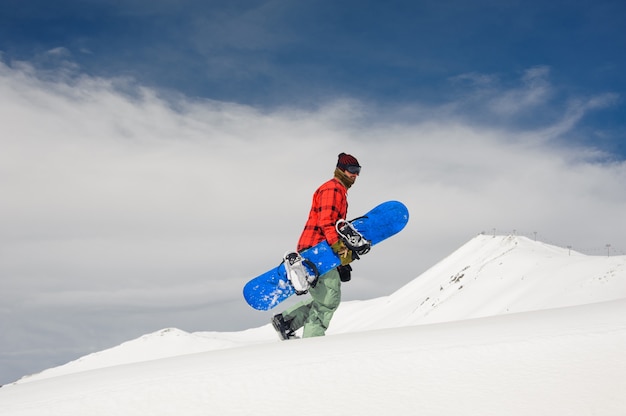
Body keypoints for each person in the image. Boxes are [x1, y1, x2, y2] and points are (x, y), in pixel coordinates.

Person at [272, 152, 361, 340]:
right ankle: (312, 345)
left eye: (358, 171)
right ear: (341, 170)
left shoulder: (339, 191)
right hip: (319, 250)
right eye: (352, 170)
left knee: (324, 300)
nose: (356, 175)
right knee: (328, 301)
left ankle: (287, 321)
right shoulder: (333, 189)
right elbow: (327, 222)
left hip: (321, 251)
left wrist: (341, 262)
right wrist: (339, 249)